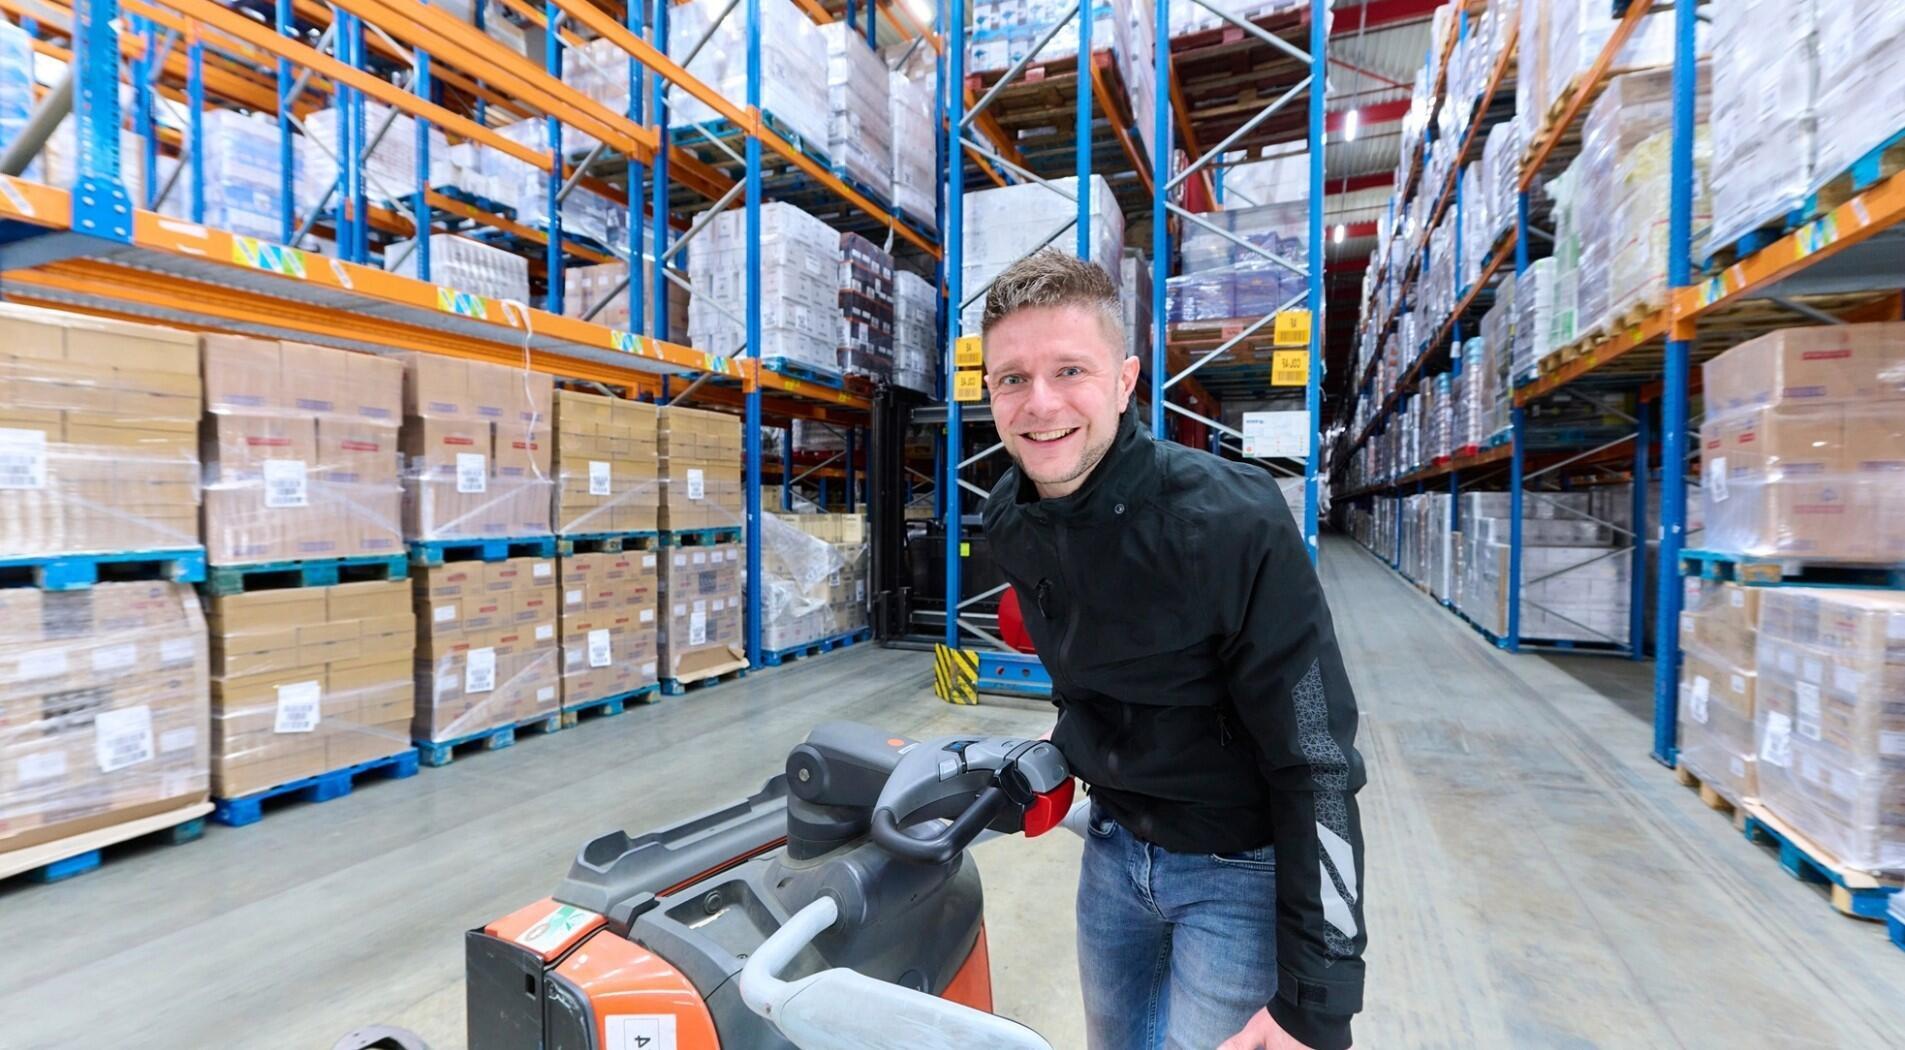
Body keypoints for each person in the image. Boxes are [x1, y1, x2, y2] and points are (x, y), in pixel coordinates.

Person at [979, 249, 1366, 1050]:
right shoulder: (1010, 518)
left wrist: (1316, 1000)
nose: (1039, 403)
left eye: (1069, 371)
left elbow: (1316, 759)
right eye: (1011, 378)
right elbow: (1088, 675)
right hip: (1113, 857)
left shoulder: (1232, 523)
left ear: (1123, 380)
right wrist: (1066, 751)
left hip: (1238, 871)